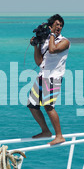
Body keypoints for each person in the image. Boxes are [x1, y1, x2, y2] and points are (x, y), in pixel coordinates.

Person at [27, 14, 70, 145]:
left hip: (54, 78)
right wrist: (36, 45)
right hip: (42, 76)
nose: (59, 27)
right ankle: (45, 131)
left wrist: (51, 35)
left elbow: (53, 50)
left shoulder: (64, 41)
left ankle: (59, 135)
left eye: (61, 25)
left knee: (48, 106)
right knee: (32, 105)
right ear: (51, 26)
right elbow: (39, 61)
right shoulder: (46, 41)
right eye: (56, 25)